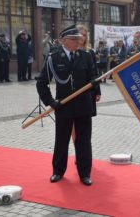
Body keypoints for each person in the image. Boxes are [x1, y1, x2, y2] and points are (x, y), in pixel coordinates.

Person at [36, 25, 101, 186]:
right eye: (74, 39)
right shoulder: (54, 58)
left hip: (84, 105)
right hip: (63, 106)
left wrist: (95, 86)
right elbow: (41, 83)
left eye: (79, 38)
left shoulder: (85, 56)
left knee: (84, 141)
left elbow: (93, 75)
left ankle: (85, 173)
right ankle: (58, 171)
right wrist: (51, 102)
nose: (79, 41)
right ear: (65, 41)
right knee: (62, 140)